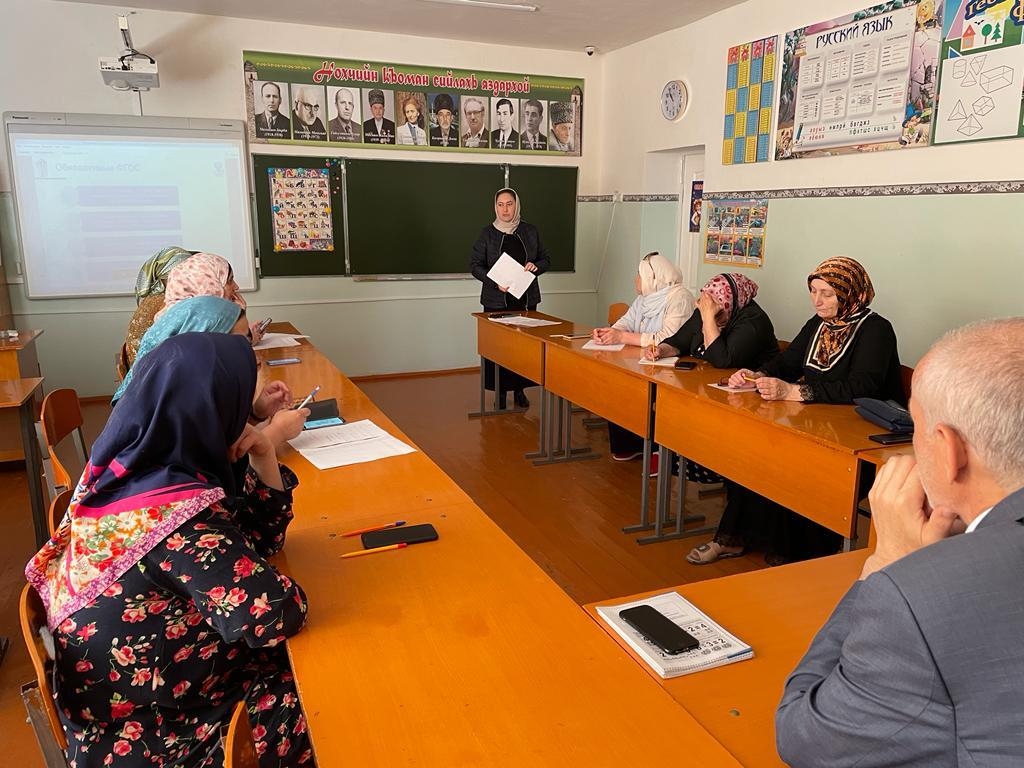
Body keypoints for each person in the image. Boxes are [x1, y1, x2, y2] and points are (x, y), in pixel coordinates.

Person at [25, 333, 314, 767]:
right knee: (329, 698)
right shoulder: (175, 516)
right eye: (237, 403)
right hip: (158, 736)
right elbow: (276, 614)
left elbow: (263, 538)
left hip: (136, 701)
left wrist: (263, 452)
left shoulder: (131, 466)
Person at [776, 318, 1024, 767]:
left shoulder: (916, 598)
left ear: (949, 451)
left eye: (916, 430)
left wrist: (887, 561)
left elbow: (804, 738)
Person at [690, 257, 903, 565]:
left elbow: (862, 386)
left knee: (802, 470)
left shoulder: (876, 329)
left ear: (852, 294)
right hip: (817, 424)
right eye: (814, 291)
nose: (817, 300)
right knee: (755, 454)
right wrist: (757, 374)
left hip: (861, 438)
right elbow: (787, 363)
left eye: (827, 294)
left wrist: (795, 392)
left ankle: (796, 555)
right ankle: (733, 538)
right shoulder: (818, 324)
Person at [647, 273, 779, 488]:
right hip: (713, 390)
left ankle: (711, 468)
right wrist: (661, 349)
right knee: (668, 407)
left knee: (691, 422)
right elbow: (680, 340)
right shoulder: (708, 309)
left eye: (717, 312)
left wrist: (708, 318)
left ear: (731, 303)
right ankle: (668, 452)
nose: (711, 315)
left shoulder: (753, 321)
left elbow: (721, 360)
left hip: (748, 404)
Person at [111, 296, 297, 434]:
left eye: (248, 343)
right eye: (239, 347)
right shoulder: (168, 414)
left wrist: (255, 414)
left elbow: (222, 436)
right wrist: (276, 433)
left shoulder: (188, 388)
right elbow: (221, 467)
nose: (255, 361)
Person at [591, 252, 694, 470]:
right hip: (642, 360)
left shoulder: (680, 297)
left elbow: (668, 338)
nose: (635, 279)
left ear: (652, 278)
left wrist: (622, 337)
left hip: (669, 365)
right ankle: (630, 444)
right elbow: (625, 323)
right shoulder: (645, 298)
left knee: (647, 394)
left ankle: (658, 451)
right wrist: (608, 333)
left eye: (639, 274)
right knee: (616, 382)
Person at [470, 188, 549, 409]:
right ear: (495, 207)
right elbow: (475, 265)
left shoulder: (530, 231)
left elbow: (545, 259)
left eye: (509, 204)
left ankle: (519, 390)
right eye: (500, 205)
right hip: (496, 301)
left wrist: (536, 266)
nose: (505, 209)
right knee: (499, 348)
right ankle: (501, 394)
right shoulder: (487, 233)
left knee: (523, 349)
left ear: (517, 205)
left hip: (525, 301)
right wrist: (494, 281)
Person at [116, 246, 193, 379]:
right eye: (181, 275)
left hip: (144, 371)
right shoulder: (167, 302)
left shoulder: (155, 297)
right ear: (164, 276)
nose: (189, 279)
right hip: (152, 375)